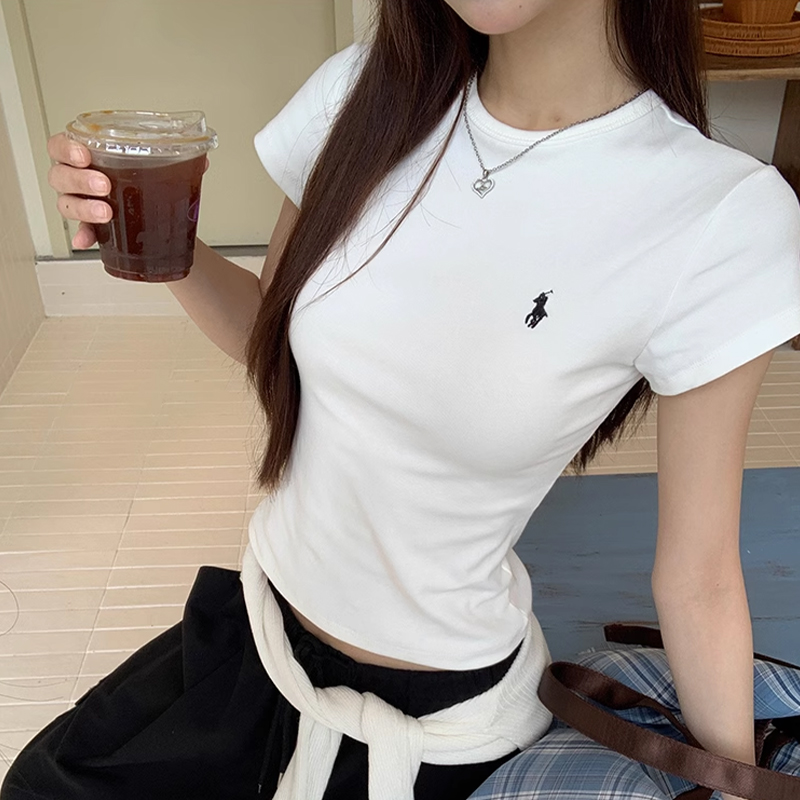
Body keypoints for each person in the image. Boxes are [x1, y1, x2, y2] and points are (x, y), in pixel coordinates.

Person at [4, 0, 800, 798]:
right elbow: (271, 339)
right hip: (257, 636)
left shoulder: (720, 214)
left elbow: (699, 578)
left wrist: (733, 786)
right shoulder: (362, 92)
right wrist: (158, 245)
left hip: (438, 722)